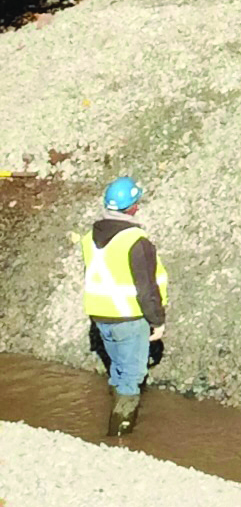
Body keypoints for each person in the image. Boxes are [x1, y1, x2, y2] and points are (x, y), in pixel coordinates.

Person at [82, 176, 167, 438]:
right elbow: (146, 287)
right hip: (128, 316)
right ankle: (119, 434)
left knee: (118, 368)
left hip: (100, 314)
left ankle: (114, 427)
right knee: (132, 375)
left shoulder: (90, 237)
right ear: (132, 207)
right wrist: (157, 320)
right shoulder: (135, 241)